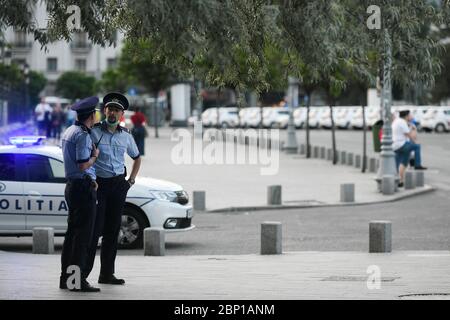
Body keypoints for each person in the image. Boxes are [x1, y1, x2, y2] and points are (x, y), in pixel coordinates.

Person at [86, 92, 141, 285]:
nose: (112, 113)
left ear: (121, 114)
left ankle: (106, 274)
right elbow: (86, 159)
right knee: (94, 230)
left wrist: (130, 181)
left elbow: (136, 157)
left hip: (118, 185)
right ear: (104, 111)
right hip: (99, 185)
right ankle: (83, 276)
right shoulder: (93, 132)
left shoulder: (126, 135)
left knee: (112, 230)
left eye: (117, 110)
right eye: (110, 109)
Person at [60, 96, 101, 292]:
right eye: (96, 113)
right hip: (83, 189)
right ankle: (76, 282)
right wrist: (95, 156)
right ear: (91, 115)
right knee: (82, 238)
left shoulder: (69, 130)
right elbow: (83, 164)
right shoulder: (83, 135)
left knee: (72, 236)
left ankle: (66, 279)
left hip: (72, 187)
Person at [392, 109, 427, 187]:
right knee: (417, 147)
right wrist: (415, 142)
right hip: (401, 144)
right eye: (410, 115)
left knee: (402, 164)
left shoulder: (398, 121)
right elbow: (409, 135)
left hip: (396, 145)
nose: (411, 116)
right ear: (406, 116)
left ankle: (400, 181)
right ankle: (417, 165)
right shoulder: (402, 122)